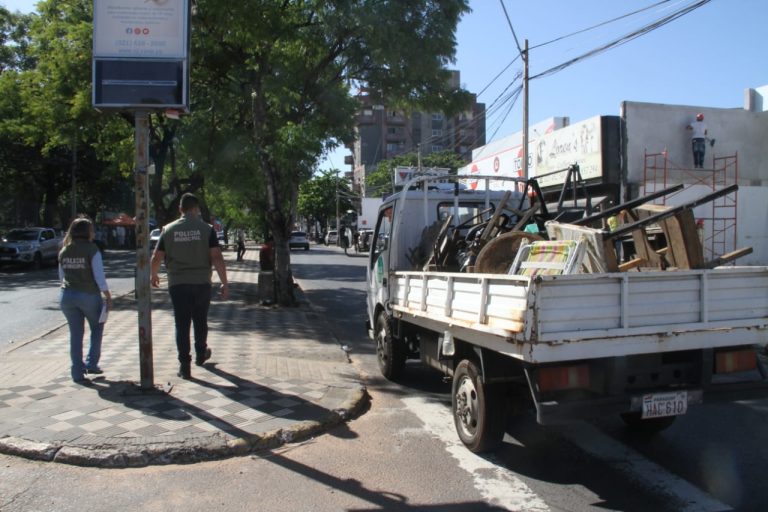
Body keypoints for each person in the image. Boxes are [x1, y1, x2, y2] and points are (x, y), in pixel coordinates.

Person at [150, 193, 229, 379]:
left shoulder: (168, 230)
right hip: (202, 282)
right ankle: (201, 353)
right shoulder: (207, 229)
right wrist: (224, 282)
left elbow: (157, 257)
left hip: (177, 283)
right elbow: (216, 257)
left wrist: (153, 274)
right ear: (197, 209)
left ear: (180, 209)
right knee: (200, 320)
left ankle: (184, 365)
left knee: (182, 323)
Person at [58, 217, 112, 383]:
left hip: (67, 296)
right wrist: (108, 296)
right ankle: (92, 363)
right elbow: (99, 276)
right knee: (97, 327)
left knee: (75, 334)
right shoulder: (92, 249)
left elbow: (61, 277)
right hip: (88, 294)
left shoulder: (64, 250)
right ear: (88, 232)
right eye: (92, 230)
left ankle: (77, 372)